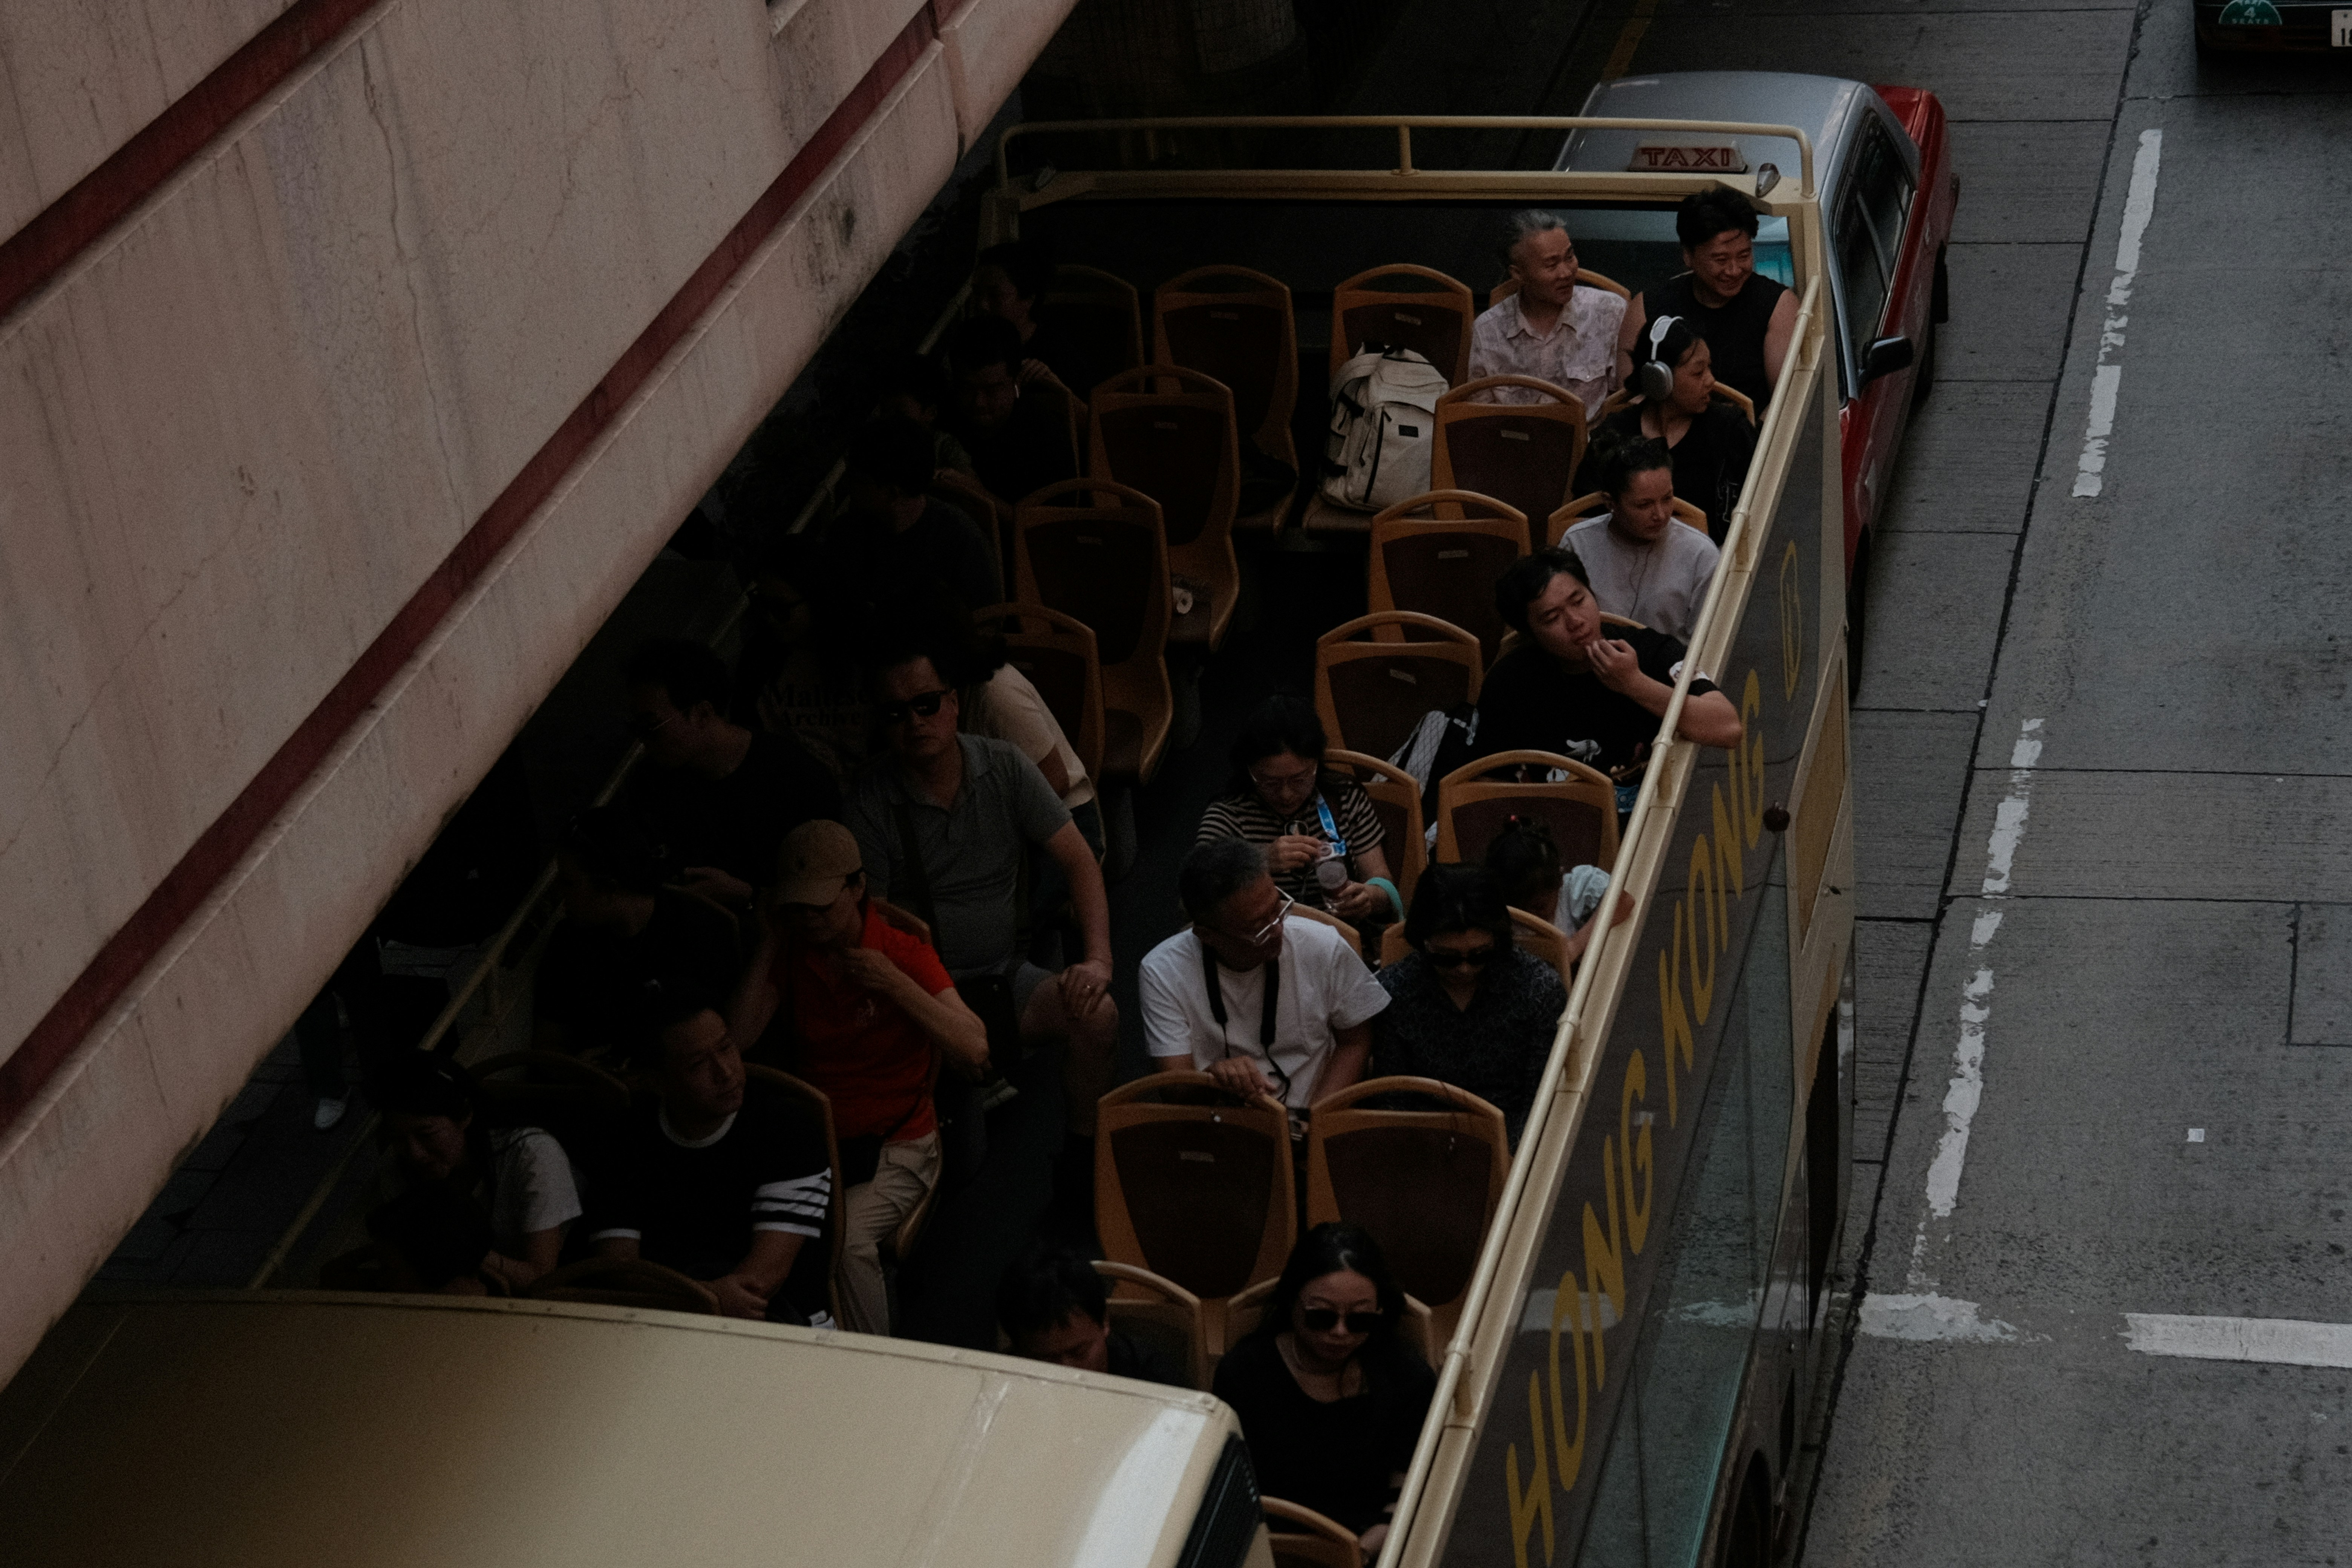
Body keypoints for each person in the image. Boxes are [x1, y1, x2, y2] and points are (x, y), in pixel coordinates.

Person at [842, 650, 1118, 1153]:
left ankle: (1083, 1159)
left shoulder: (1005, 766)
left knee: (1097, 1016)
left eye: (926, 704)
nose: (915, 722)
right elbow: (872, 931)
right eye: (896, 713)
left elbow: (1079, 860)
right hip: (922, 995)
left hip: (1003, 975)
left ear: (954, 702)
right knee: (962, 1163)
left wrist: (1098, 960)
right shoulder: (870, 801)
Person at [729, 821, 989, 1335]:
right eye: (798, 908)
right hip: (820, 1143)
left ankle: (875, 1360)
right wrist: (769, 942)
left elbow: (975, 1046)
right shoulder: (792, 953)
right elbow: (736, 1039)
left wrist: (892, 983)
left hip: (899, 1140)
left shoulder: (900, 952)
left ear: (856, 888)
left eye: (822, 907)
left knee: (845, 1244)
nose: (810, 920)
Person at [588, 997, 835, 1322]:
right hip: (660, 1324)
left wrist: (684, 1297)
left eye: (726, 1048)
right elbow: (617, 1271)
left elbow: (759, 1283)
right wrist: (707, 1297)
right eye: (698, 1064)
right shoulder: (627, 1137)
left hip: (784, 1324)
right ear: (658, 1083)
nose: (726, 1072)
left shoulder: (787, 1130)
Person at [1213, 1223, 1435, 1552]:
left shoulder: (1404, 1375)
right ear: (1292, 1304)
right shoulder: (1245, 1372)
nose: (1341, 1332)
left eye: (1360, 1320)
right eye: (1322, 1317)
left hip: (1374, 1548)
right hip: (1268, 1547)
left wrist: (1361, 1551)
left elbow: (1410, 1485)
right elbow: (1228, 1488)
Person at [1474, 548, 1744, 803]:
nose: (1575, 621)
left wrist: (1634, 683)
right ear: (1531, 633)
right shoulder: (1508, 684)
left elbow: (1727, 728)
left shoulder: (1651, 649)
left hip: (1652, 814)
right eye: (1552, 618)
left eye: (1579, 601)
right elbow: (1485, 782)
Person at [1141, 839, 1389, 1112]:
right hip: (1222, 1121)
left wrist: (1315, 1122)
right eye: (1259, 928)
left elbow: (1355, 1040)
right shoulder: (1162, 971)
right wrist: (1212, 1078)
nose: (1278, 930)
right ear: (1208, 936)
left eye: (1278, 909)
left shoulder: (1321, 944)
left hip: (1312, 1109)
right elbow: (1174, 1089)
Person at [623, 637, 841, 914]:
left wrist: (749, 896)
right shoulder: (649, 785)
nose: (642, 741)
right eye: (635, 728)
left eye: (652, 727)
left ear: (703, 713)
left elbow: (834, 896)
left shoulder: (795, 779)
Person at [1369, 866, 1566, 1144]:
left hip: (1513, 1141)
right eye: (1447, 958)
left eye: (1479, 955)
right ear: (1424, 942)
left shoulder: (1538, 989)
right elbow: (1393, 1098)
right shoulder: (1395, 990)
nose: (1464, 970)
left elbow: (1540, 1099)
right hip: (1422, 1139)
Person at [533, 807, 743, 1060]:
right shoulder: (569, 941)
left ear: (610, 889)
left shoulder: (697, 931)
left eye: (568, 882)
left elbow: (720, 1039)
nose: (558, 893)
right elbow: (549, 1044)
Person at [364, 1053, 581, 1295]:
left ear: (465, 1115)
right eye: (398, 1139)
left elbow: (541, 1279)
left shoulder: (530, 1154)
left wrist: (462, 1250)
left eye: (427, 1135)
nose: (415, 1154)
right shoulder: (396, 1174)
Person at [1194, 696, 1399, 928]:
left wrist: (1370, 897)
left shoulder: (1344, 798)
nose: (1286, 795)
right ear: (1249, 771)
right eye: (1270, 783)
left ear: (1316, 765)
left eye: (1300, 779)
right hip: (1264, 939)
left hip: (1339, 932)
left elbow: (1383, 881)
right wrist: (1259, 860)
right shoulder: (1228, 815)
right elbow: (1195, 900)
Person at [1618, 186, 1798, 411]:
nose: (1734, 270)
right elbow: (1628, 400)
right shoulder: (1647, 308)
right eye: (1721, 260)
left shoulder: (1777, 306)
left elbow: (1785, 406)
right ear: (1688, 256)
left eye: (1744, 256)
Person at [1582, 312, 1755, 540]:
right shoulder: (1614, 433)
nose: (1711, 381)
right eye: (1698, 372)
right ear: (1659, 379)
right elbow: (1586, 514)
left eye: (1709, 369)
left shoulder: (1730, 429)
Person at [821, 413, 1001, 616]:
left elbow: (987, 623)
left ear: (893, 491)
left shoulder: (959, 541)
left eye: (858, 479)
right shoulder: (848, 534)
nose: (847, 485)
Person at [733, 534, 873, 786]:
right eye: (761, 604)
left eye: (781, 608)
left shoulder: (866, 647)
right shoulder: (760, 660)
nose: (769, 618)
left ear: (818, 598)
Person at [1558, 431, 1722, 642]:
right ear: (1611, 503)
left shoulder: (1700, 554)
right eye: (1644, 505)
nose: (1661, 515)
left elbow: (1708, 645)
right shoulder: (1577, 543)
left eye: (1667, 499)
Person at [1467, 210, 1626, 419]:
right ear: (1518, 274)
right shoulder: (1489, 330)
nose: (1566, 273)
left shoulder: (1609, 311)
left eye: (1569, 257)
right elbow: (1479, 414)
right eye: (1551, 265)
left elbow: (1625, 403)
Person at [995, 1240, 1186, 1386]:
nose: (1066, 1374)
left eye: (1079, 1352)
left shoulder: (1153, 1381)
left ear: (1104, 1322)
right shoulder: (1001, 1380)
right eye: (1046, 1359)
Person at [936, 314, 1079, 507]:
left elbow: (1051, 529)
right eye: (967, 388)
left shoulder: (1045, 440)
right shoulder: (944, 418)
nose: (978, 402)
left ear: (1015, 380)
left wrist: (977, 494)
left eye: (992, 390)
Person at [971, 241, 1103, 397]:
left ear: (1028, 300)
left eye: (994, 296)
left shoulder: (1058, 355)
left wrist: (1058, 388)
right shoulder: (973, 344)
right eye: (977, 293)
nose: (982, 305)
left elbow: (1094, 416)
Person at [1484, 816, 1611, 970]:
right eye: (1518, 910)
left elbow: (1623, 901)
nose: (1529, 917)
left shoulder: (1575, 890)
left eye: (1538, 907)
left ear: (1559, 882)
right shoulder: (1494, 911)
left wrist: (1576, 945)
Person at [877, 353, 977, 478]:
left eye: (900, 414)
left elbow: (971, 489)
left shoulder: (945, 447)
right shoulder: (881, 450)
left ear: (930, 413)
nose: (889, 421)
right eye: (884, 410)